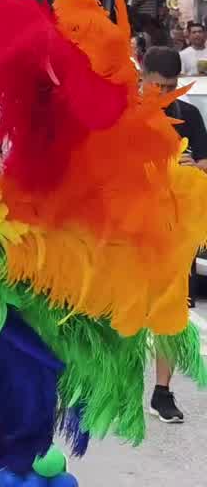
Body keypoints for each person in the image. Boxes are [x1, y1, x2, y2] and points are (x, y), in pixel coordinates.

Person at [140, 46, 207, 424]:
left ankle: (162, 391)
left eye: (172, 86)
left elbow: (204, 166)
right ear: (142, 77)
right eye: (158, 86)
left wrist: (190, 167)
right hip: (127, 231)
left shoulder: (189, 115)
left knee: (168, 313)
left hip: (173, 233)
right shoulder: (122, 114)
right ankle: (105, 383)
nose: (165, 94)